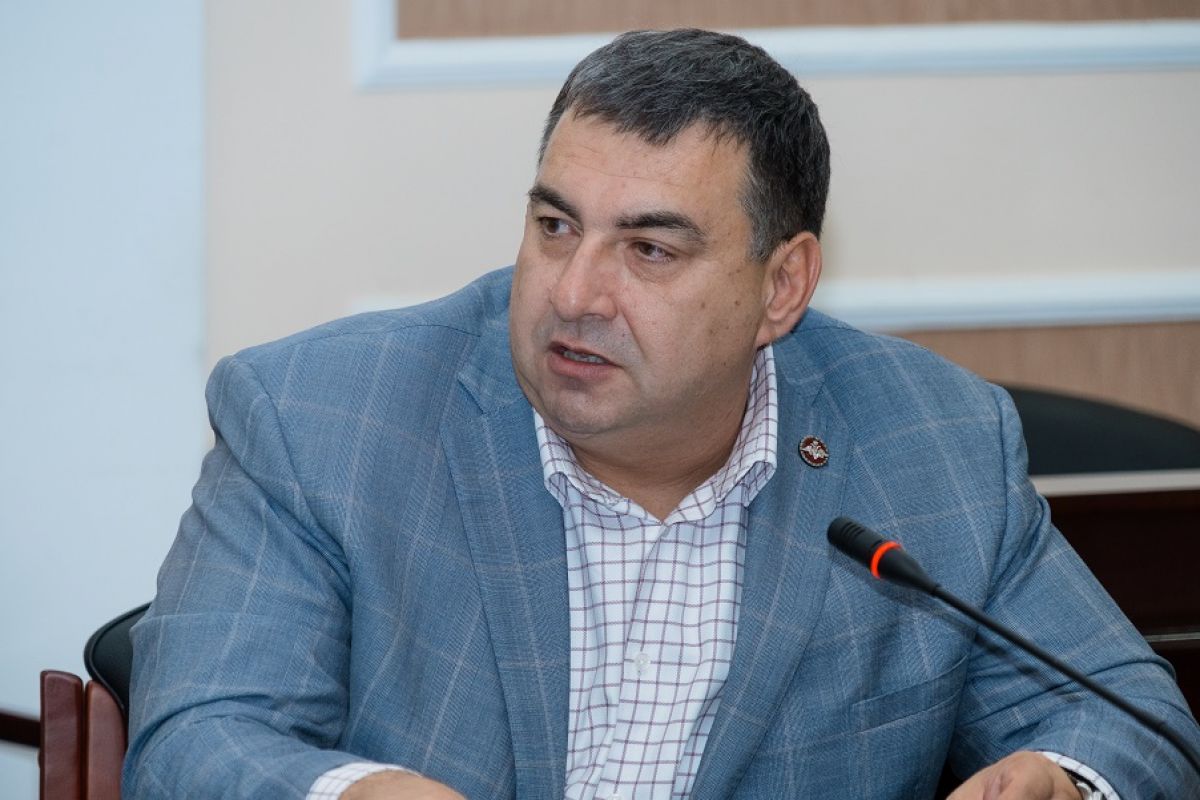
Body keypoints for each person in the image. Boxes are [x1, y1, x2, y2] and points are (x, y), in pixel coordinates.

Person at [123, 28, 1199, 800]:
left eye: (648, 248)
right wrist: (356, 792)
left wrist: (1062, 777)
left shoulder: (936, 446)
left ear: (781, 286)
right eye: (555, 225)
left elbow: (1133, 719)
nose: (574, 292)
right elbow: (197, 735)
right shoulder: (322, 416)